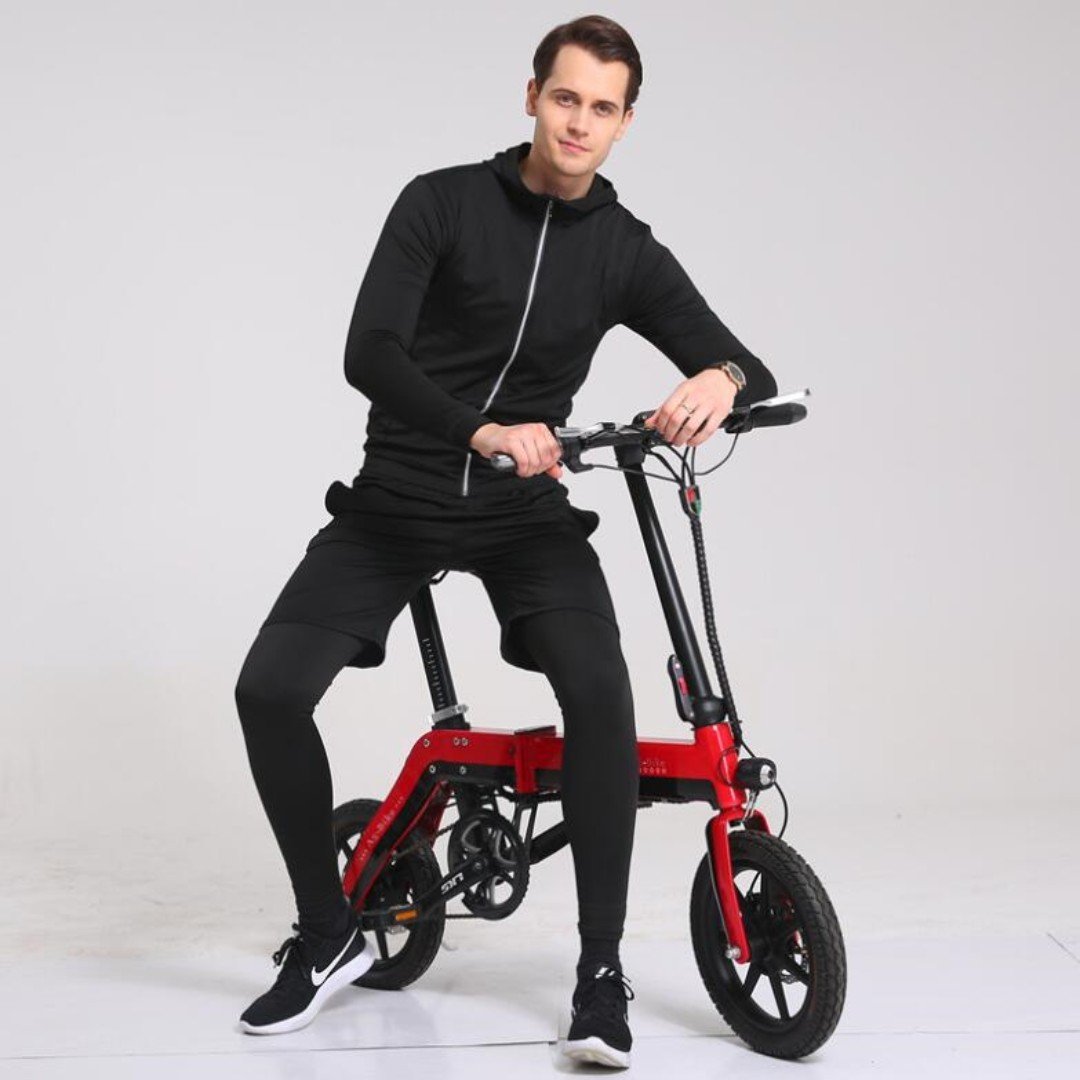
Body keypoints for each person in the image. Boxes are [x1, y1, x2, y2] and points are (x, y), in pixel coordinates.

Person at [232, 12, 777, 1068]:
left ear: (624, 125)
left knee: (601, 689)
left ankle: (600, 975)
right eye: (565, 97)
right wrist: (477, 430)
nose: (579, 122)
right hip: (397, 497)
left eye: (602, 108)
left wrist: (720, 379)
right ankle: (327, 929)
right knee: (268, 690)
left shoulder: (622, 250)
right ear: (532, 97)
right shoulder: (439, 202)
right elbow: (369, 352)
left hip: (524, 515)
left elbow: (737, 359)